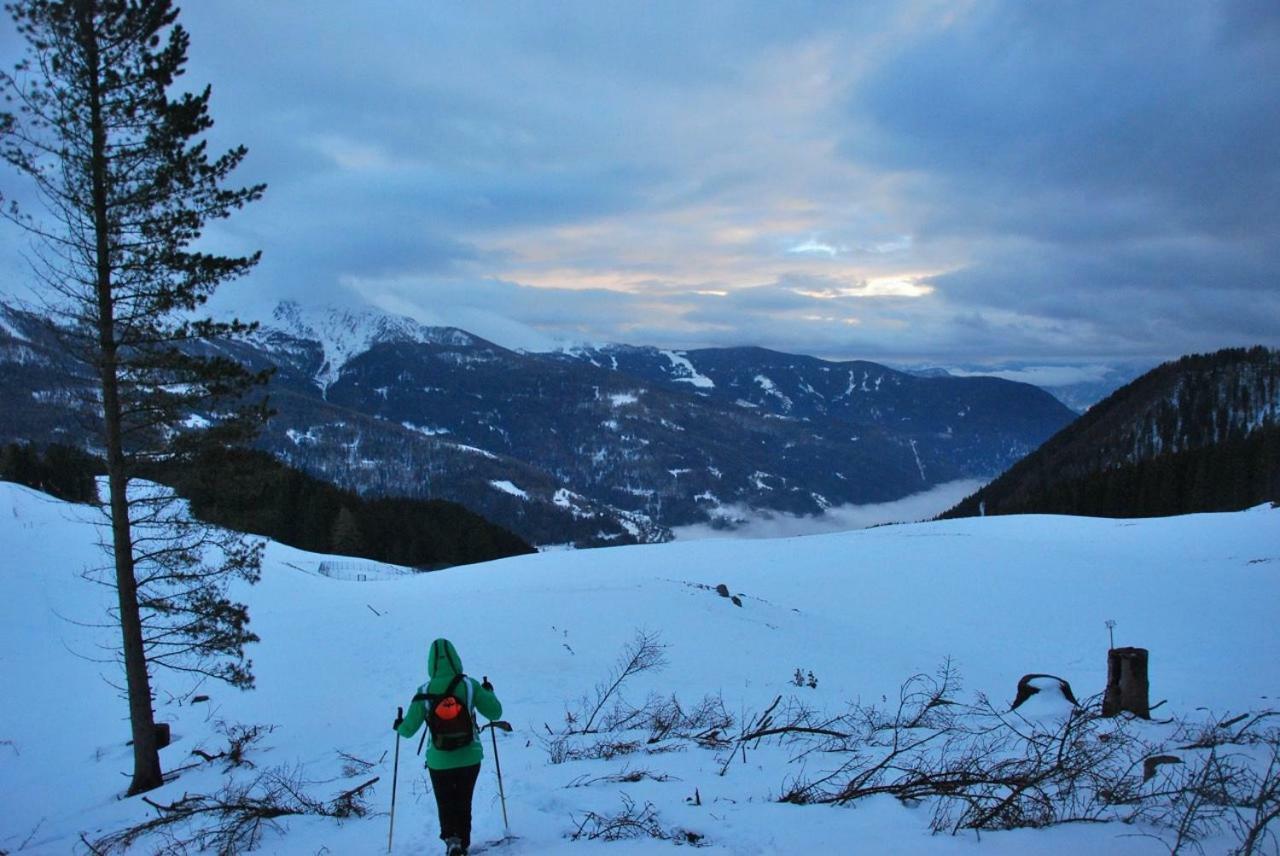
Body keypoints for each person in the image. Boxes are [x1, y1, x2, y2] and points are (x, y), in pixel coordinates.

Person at [395, 638, 503, 856]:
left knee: (445, 801)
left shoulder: (424, 690)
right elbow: (495, 713)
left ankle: (451, 840)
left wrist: (399, 725)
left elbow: (408, 731)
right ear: (456, 659)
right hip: (469, 756)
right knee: (464, 800)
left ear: (431, 663)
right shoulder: (470, 685)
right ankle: (463, 843)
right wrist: (488, 692)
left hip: (439, 759)